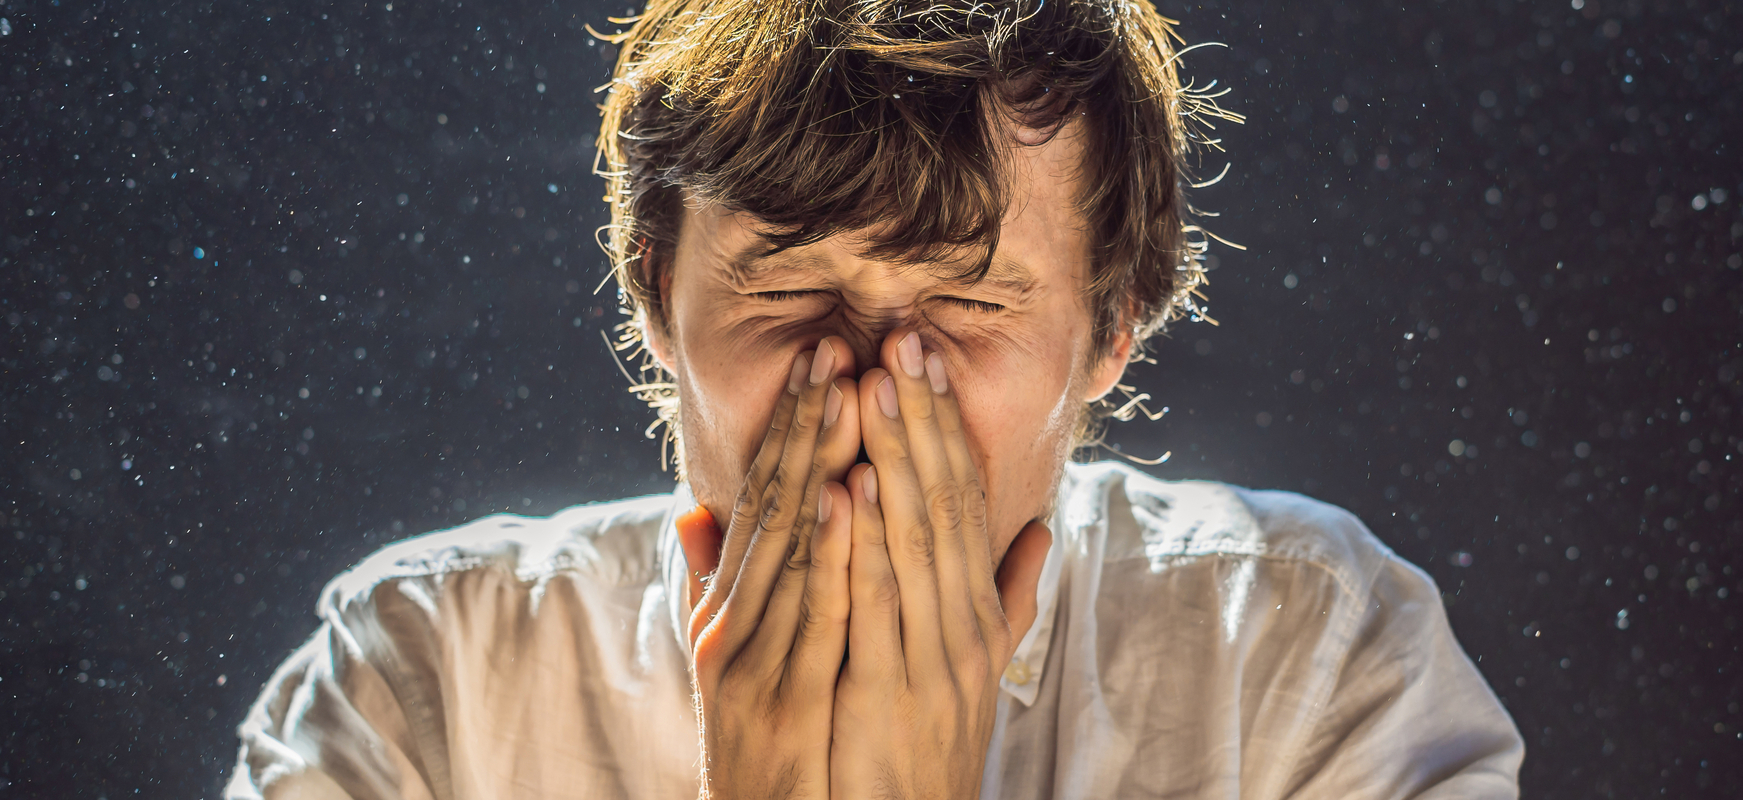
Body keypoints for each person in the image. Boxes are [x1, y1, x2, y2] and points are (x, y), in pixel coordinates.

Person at [226, 0, 1524, 797]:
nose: (860, 394)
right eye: (787, 294)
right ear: (653, 290)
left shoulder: (1310, 667)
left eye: (967, 306)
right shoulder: (425, 687)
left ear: (1115, 323)